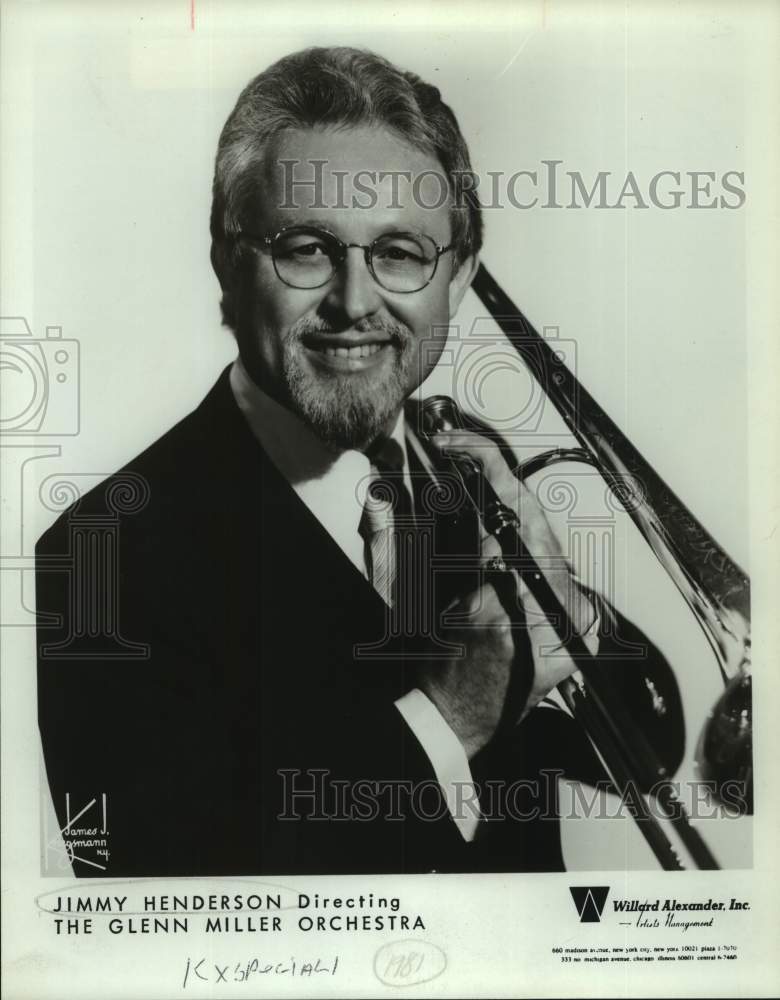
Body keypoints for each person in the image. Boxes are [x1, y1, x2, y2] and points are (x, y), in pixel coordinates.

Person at [36, 46, 683, 877]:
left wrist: (572, 611)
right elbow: (153, 902)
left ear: (459, 276)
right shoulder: (100, 556)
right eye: (306, 249)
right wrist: (448, 718)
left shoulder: (471, 475)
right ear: (228, 266)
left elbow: (643, 751)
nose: (354, 303)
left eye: (402, 253)